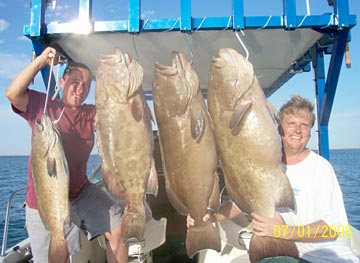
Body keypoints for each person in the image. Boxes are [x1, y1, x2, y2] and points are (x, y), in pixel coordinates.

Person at [187, 95, 359, 262]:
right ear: (279, 129)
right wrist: (211, 217)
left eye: (304, 125)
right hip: (286, 252)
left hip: (326, 256)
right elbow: (240, 204)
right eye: (291, 123)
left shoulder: (321, 169)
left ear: (310, 132)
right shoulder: (265, 164)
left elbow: (336, 228)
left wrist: (282, 232)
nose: (297, 130)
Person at [6, 47, 128, 263]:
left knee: (119, 227)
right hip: (45, 200)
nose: (80, 90)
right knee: (57, 255)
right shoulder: (42, 106)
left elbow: (117, 111)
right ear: (61, 82)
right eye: (74, 83)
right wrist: (41, 62)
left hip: (81, 192)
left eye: (86, 86)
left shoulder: (89, 113)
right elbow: (13, 94)